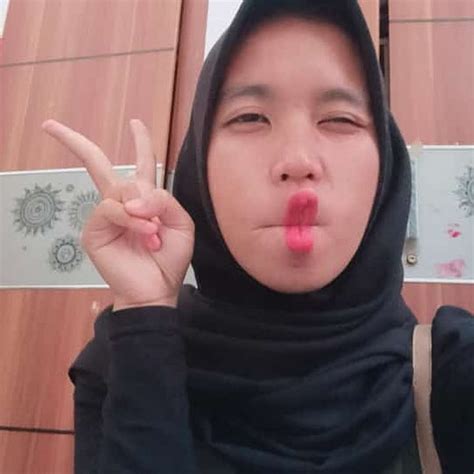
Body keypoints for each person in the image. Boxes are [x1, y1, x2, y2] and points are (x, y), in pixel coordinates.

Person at [42, 1, 474, 473]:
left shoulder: (454, 368)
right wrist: (145, 314)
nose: (298, 160)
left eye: (340, 119)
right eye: (249, 118)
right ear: (199, 169)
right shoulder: (123, 354)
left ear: (386, 168)